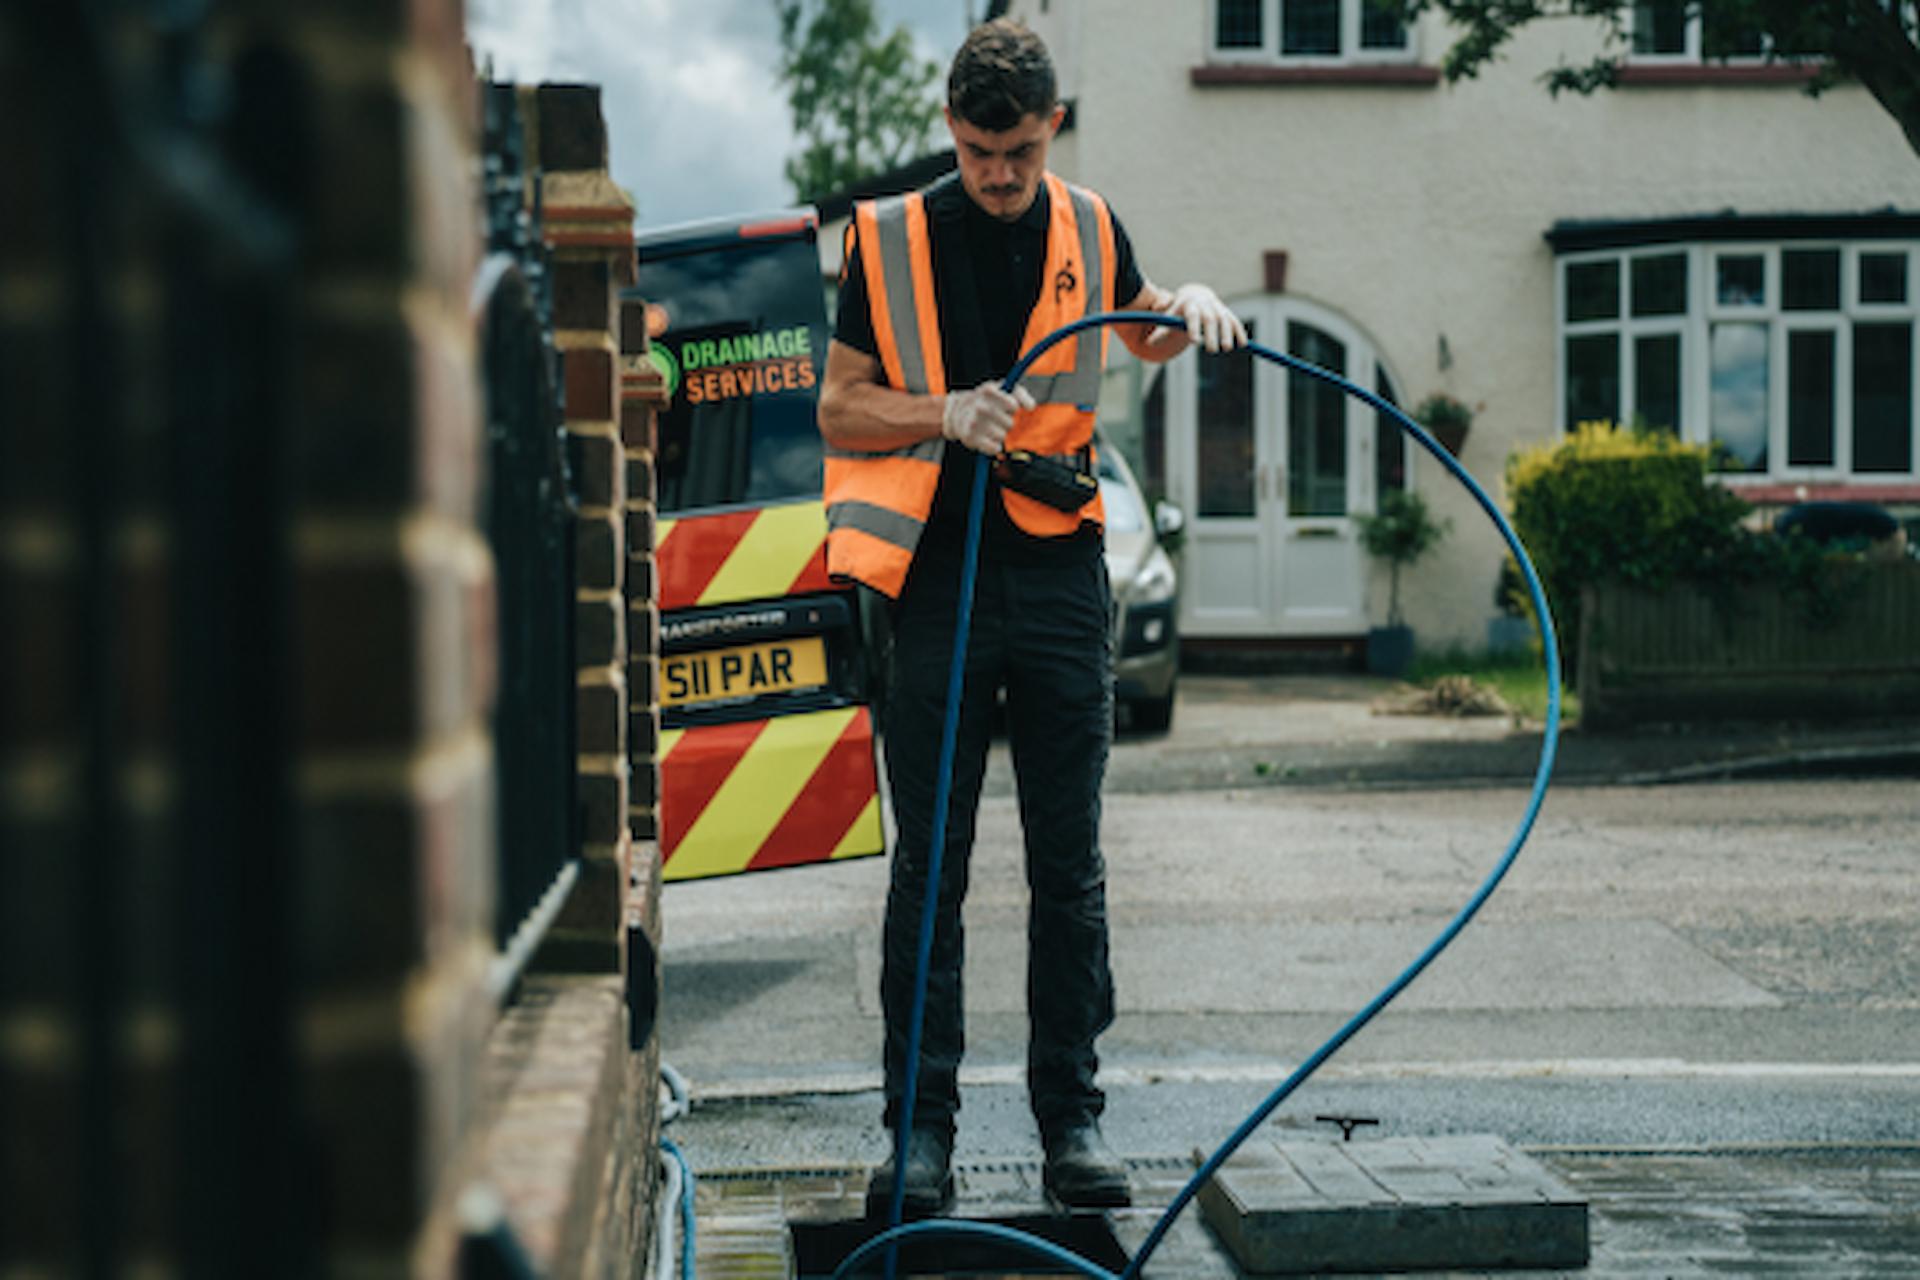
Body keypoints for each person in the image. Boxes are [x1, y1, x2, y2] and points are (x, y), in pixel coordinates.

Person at [817, 17, 1246, 1217]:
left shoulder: (1091, 224)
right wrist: (943, 412)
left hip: (1059, 571)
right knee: (932, 869)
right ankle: (919, 1134)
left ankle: (1074, 1118)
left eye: (1016, 152)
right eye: (974, 152)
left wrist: (1188, 305)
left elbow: (1142, 319)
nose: (997, 177)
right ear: (951, 132)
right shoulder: (891, 240)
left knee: (1072, 864)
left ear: (1051, 126)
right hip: (939, 576)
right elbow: (841, 411)